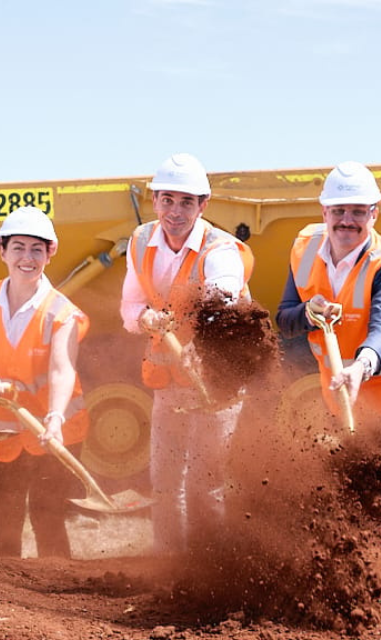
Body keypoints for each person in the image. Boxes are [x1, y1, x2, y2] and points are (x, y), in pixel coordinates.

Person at [119, 153, 254, 554]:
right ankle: (170, 570)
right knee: (165, 482)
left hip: (217, 380)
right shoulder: (142, 240)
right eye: (167, 200)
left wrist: (198, 322)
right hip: (169, 381)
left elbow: (226, 290)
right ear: (155, 199)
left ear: (203, 206)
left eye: (186, 202)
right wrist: (146, 320)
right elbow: (129, 306)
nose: (175, 212)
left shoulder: (220, 249)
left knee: (203, 483)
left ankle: (209, 573)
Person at [0, 206, 89, 560]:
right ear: (2, 250)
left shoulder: (62, 313)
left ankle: (59, 605)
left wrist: (54, 418)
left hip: (51, 433)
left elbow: (62, 370)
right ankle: (5, 609)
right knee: (3, 527)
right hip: (0, 435)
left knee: (47, 518)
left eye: (37, 249)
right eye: (18, 247)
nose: (27, 257)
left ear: (50, 254)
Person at [276, 161, 381, 434]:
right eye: (338, 211)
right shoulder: (304, 247)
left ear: (374, 214)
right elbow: (285, 319)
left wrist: (361, 367)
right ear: (324, 212)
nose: (347, 221)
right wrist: (308, 313)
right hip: (341, 387)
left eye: (358, 212)